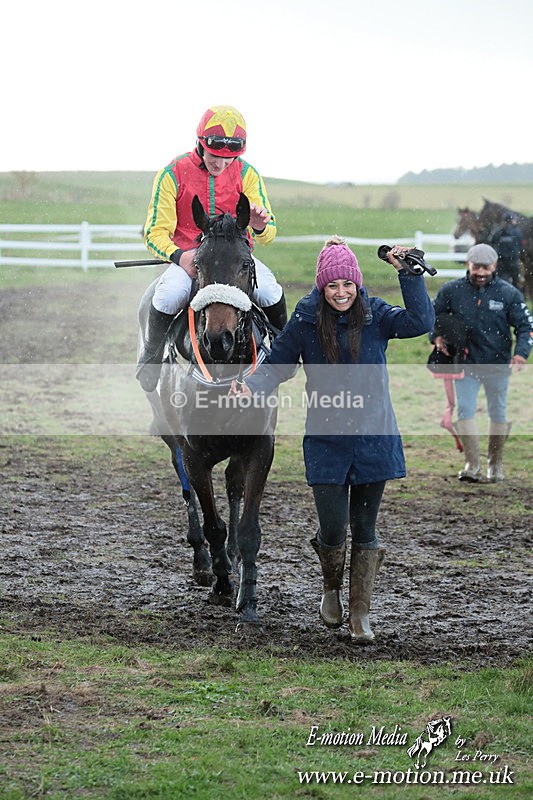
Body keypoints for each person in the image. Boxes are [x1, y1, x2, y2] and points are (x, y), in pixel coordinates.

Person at [230, 237, 435, 643]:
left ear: (357, 286)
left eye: (348, 286)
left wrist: (409, 275)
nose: (341, 293)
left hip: (375, 436)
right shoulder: (306, 319)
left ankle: (361, 614)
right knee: (333, 529)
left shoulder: (376, 315)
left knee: (366, 528)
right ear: (322, 288)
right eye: (333, 286)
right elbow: (278, 365)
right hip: (327, 441)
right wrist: (252, 385)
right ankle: (330, 589)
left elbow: (421, 322)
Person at [137, 104, 287, 392]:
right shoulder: (172, 173)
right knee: (167, 295)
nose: (221, 164)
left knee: (270, 291)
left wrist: (258, 225)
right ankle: (151, 356)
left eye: (229, 160)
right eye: (215, 156)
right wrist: (179, 256)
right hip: (190, 260)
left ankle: (283, 353)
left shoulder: (248, 174)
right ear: (200, 144)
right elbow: (154, 232)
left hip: (235, 263)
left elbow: (269, 233)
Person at [432, 243, 532, 483]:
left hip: (498, 365)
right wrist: (435, 336)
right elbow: (433, 317)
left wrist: (521, 354)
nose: (480, 272)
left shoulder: (509, 293)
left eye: (486, 267)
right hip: (464, 364)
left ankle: (495, 465)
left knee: (498, 411)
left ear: (494, 266)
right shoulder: (451, 291)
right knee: (465, 409)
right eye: (476, 267)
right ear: (468, 264)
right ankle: (472, 465)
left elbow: (525, 326)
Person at [490, 214, 523, 287]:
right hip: (513, 261)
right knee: (515, 282)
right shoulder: (517, 232)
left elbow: (492, 243)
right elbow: (520, 245)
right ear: (512, 221)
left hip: (501, 262)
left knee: (499, 282)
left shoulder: (498, 232)